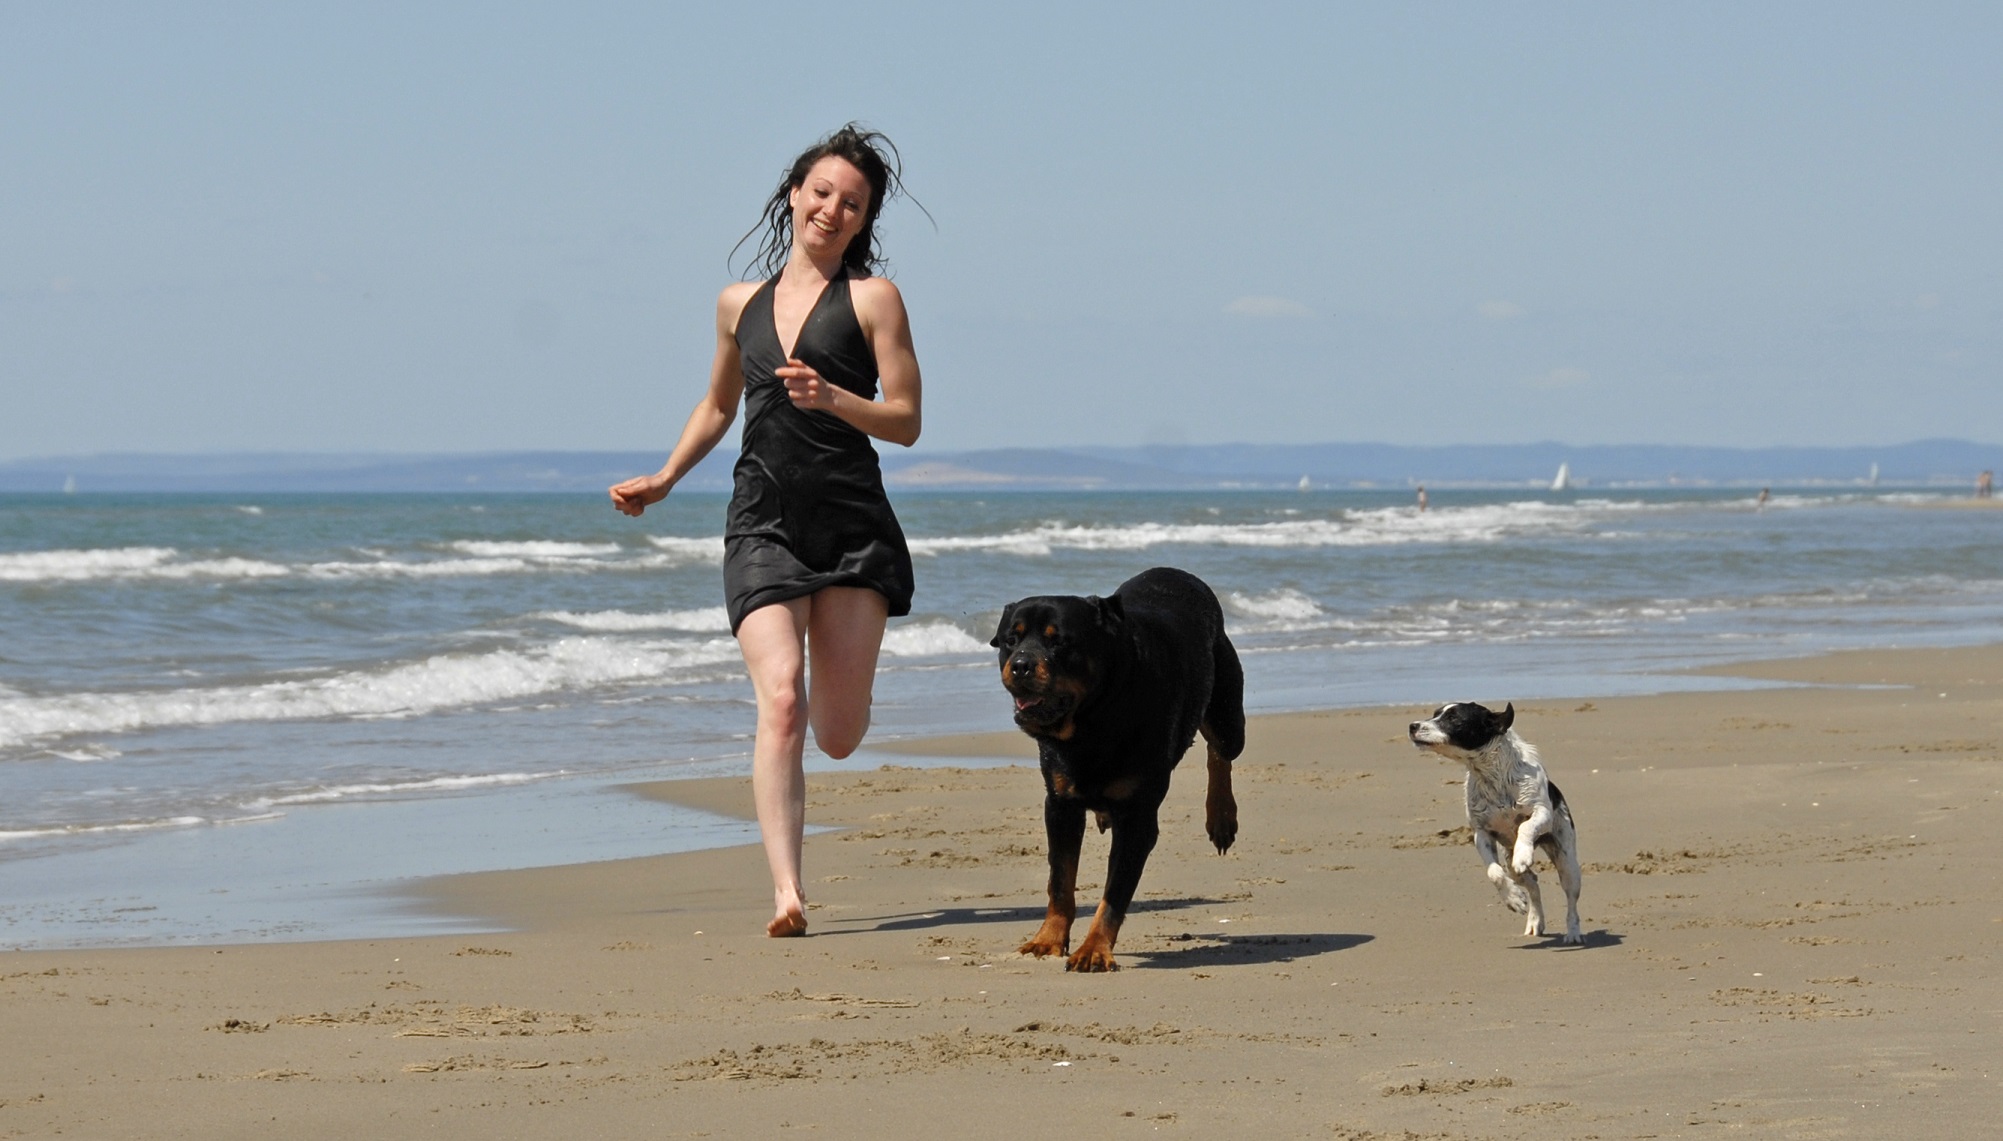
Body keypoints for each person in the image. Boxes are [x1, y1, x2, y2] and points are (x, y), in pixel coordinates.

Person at [609, 125, 924, 937]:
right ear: (794, 195)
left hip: (852, 526)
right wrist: (666, 475)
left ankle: (842, 680)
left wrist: (833, 399)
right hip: (762, 521)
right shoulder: (735, 304)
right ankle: (787, 892)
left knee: (839, 733)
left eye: (850, 203)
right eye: (821, 193)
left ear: (862, 221)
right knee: (780, 699)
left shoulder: (873, 300)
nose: (832, 209)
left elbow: (906, 419)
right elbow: (718, 404)